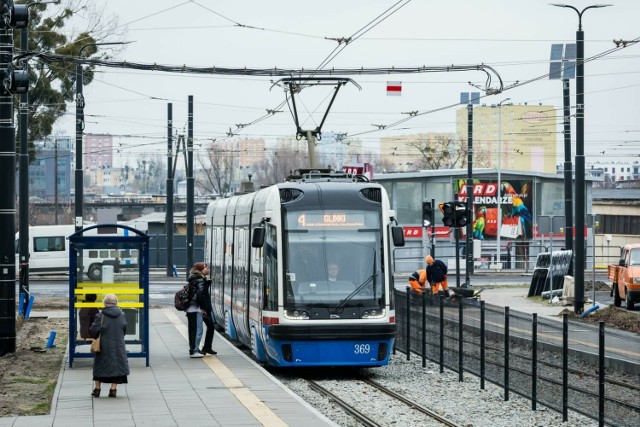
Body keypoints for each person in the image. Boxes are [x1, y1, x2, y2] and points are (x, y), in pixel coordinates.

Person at [89, 294, 129, 398]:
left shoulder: (100, 316)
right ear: (116, 303)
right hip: (118, 346)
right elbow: (124, 329)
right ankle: (113, 389)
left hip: (103, 346)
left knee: (100, 367)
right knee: (117, 367)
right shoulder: (122, 315)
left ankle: (97, 389)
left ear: (104, 303)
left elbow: (94, 331)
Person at [186, 262, 216, 358]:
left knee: (193, 330)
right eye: (206, 268)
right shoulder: (199, 279)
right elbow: (200, 295)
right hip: (196, 308)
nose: (208, 270)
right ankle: (194, 351)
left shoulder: (194, 278)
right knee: (198, 330)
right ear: (201, 269)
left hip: (192, 308)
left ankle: (195, 349)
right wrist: (203, 308)